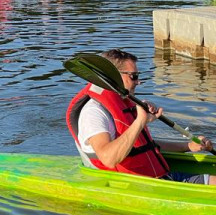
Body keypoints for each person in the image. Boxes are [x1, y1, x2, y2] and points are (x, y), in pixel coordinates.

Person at [67, 49, 216, 184]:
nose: (138, 81)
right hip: (133, 186)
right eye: (134, 76)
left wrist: (188, 146)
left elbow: (145, 146)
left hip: (162, 178)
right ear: (113, 76)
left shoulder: (124, 103)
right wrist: (140, 121)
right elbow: (108, 159)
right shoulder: (94, 112)